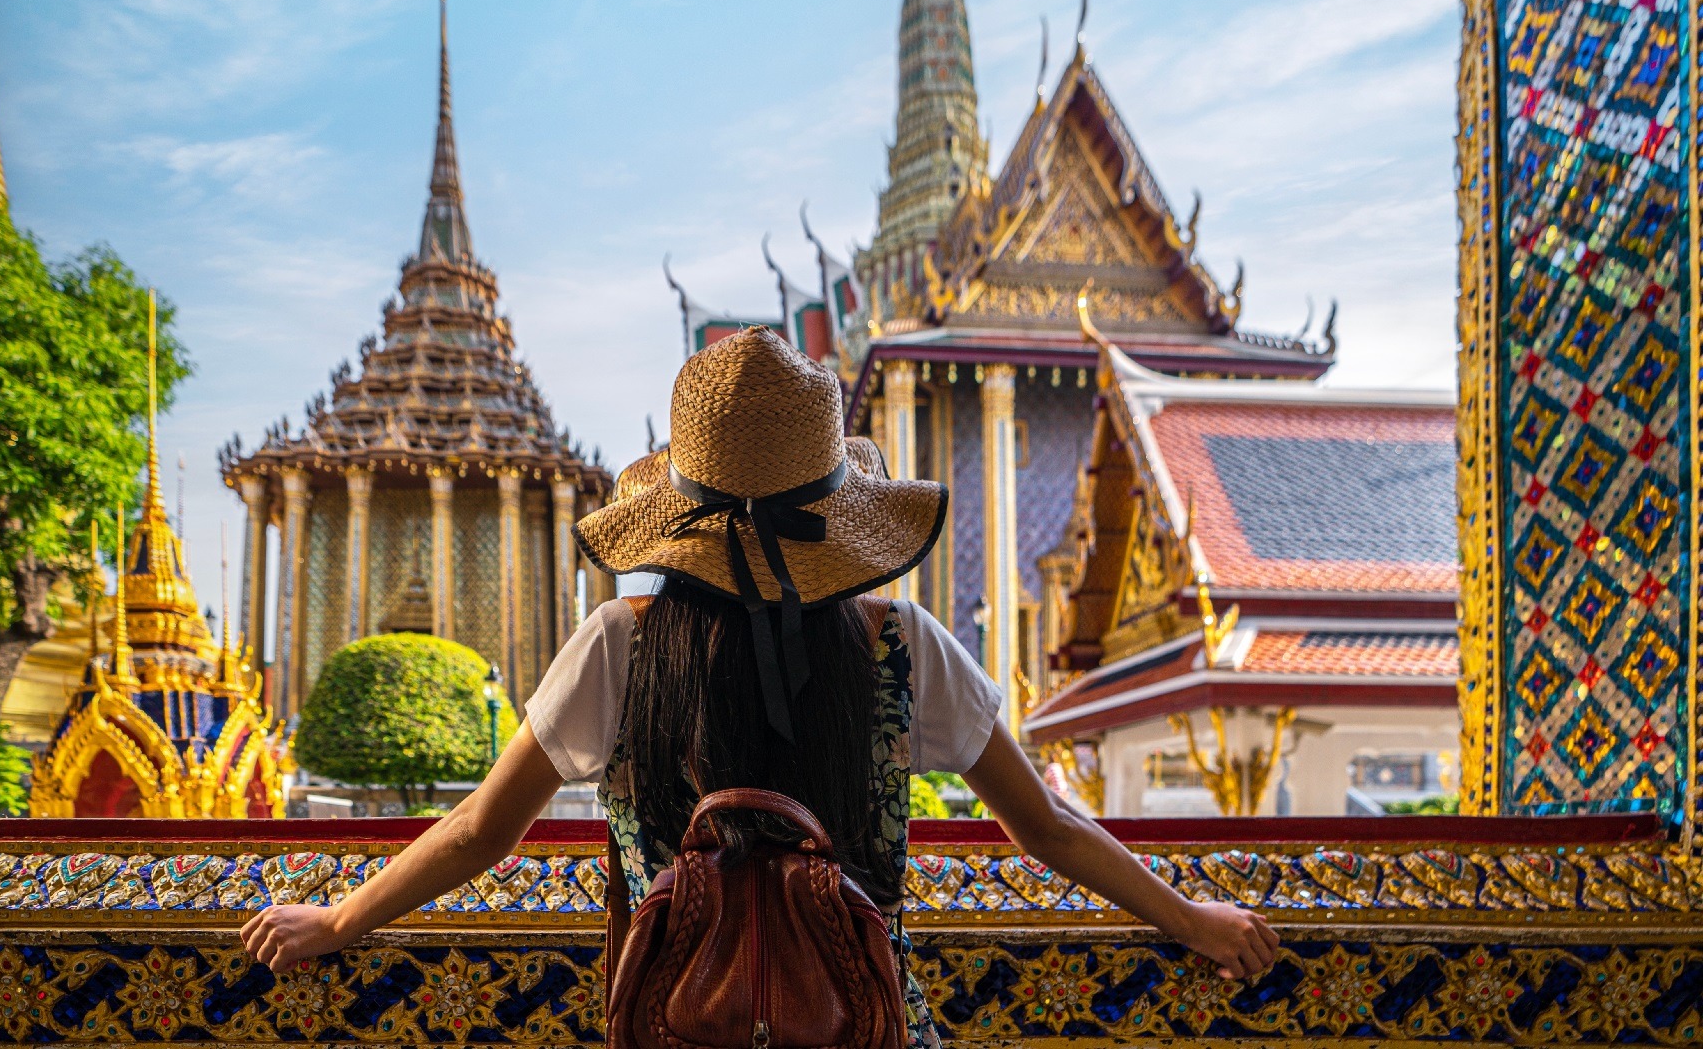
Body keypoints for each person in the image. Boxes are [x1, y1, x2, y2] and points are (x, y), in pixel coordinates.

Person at [242, 327, 1278, 1045]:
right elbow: (1045, 826)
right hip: (856, 1019)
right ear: (833, 509)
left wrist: (337, 923)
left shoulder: (620, 643)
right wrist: (1190, 919)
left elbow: (480, 831)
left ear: (679, 515)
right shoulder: (898, 644)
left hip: (674, 1018)